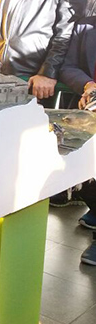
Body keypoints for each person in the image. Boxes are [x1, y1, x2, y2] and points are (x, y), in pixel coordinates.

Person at [58, 18, 96, 263]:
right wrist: (89, 85)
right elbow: (68, 67)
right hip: (88, 111)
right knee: (80, 168)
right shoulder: (85, 27)